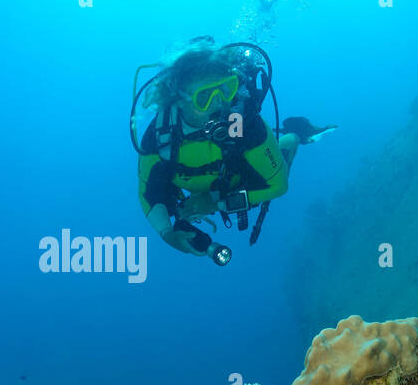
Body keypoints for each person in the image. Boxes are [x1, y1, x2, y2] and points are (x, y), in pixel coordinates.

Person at [134, 37, 333, 262]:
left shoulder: (243, 124)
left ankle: (296, 133)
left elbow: (278, 186)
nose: (220, 104)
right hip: (204, 188)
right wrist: (167, 233)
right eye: (204, 97)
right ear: (178, 101)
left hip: (241, 182)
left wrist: (215, 202)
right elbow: (148, 193)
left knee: (282, 163)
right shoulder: (161, 136)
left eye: (226, 90)